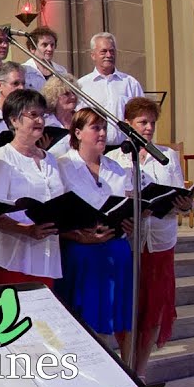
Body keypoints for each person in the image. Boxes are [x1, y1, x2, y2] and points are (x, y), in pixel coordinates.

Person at [108, 97, 190, 379]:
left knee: (154, 309)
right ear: (128, 124)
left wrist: (183, 203)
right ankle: (124, 367)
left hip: (160, 240)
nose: (149, 128)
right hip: (131, 241)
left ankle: (140, 372)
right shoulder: (115, 158)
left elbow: (178, 192)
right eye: (143, 122)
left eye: (152, 123)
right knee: (129, 308)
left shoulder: (167, 157)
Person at [57, 108, 136, 358]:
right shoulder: (63, 165)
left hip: (116, 249)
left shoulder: (116, 167)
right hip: (82, 253)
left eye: (104, 128)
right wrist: (78, 233)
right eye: (95, 127)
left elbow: (125, 205)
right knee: (84, 319)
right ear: (78, 132)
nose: (102, 133)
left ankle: (117, 372)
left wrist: (130, 222)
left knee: (115, 316)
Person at [0, 89, 65, 288]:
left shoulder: (50, 158)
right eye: (33, 115)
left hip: (47, 258)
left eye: (42, 115)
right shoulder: (0, 157)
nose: (40, 121)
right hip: (13, 259)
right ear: (14, 120)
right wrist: (27, 230)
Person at [77, 32, 144, 148]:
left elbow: (142, 116)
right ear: (93, 55)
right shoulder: (82, 85)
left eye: (112, 51)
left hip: (125, 149)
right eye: (103, 51)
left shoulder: (130, 83)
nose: (108, 55)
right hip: (94, 148)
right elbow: (78, 119)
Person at [21, 26, 68, 94]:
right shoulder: (23, 70)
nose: (50, 49)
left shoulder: (61, 71)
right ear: (32, 48)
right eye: (45, 45)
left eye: (52, 45)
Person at [40, 75, 78, 157]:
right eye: (66, 94)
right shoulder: (45, 124)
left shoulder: (82, 120)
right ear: (54, 97)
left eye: (74, 92)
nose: (73, 96)